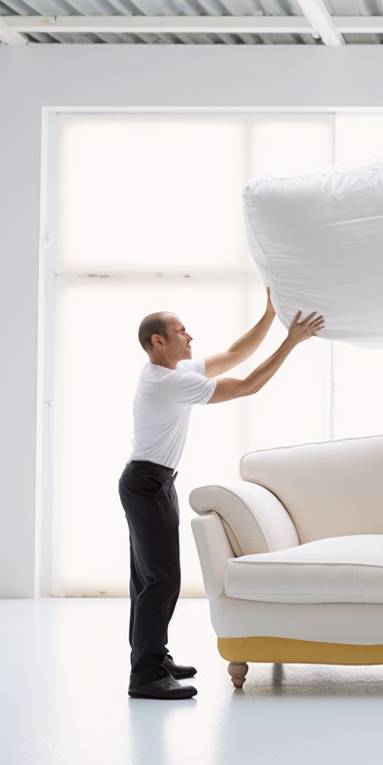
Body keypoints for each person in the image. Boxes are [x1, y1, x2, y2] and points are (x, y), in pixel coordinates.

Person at [120, 295, 324, 699]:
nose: (189, 335)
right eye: (181, 331)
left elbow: (234, 354)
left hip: (149, 481)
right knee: (160, 581)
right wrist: (291, 341)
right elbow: (247, 385)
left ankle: (154, 658)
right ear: (158, 341)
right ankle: (145, 677)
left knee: (148, 579)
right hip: (147, 483)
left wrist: (268, 317)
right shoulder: (173, 382)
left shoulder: (168, 371)